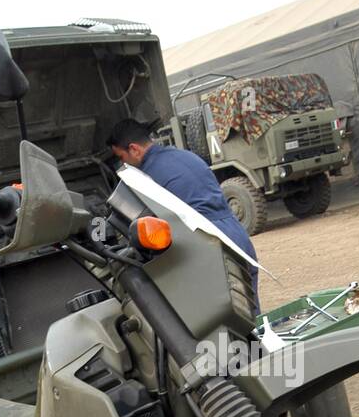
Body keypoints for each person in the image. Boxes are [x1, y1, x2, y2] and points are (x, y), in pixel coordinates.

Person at [107, 119, 260, 305]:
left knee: (224, 327)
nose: (123, 164)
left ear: (134, 149)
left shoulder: (146, 180)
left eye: (122, 158)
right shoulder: (184, 156)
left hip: (211, 250)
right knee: (249, 318)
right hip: (238, 239)